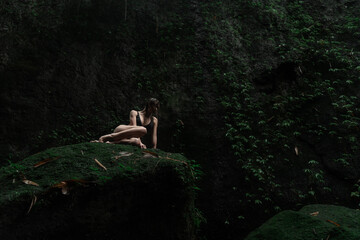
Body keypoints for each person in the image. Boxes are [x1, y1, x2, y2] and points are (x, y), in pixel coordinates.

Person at [94, 98, 159, 149]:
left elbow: (154, 136)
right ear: (149, 106)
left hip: (130, 138)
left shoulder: (154, 120)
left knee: (136, 142)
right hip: (121, 130)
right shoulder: (134, 113)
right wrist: (141, 143)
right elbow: (134, 128)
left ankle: (111, 142)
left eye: (156, 108)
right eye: (153, 108)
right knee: (143, 130)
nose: (154, 110)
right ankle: (108, 136)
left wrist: (154, 148)